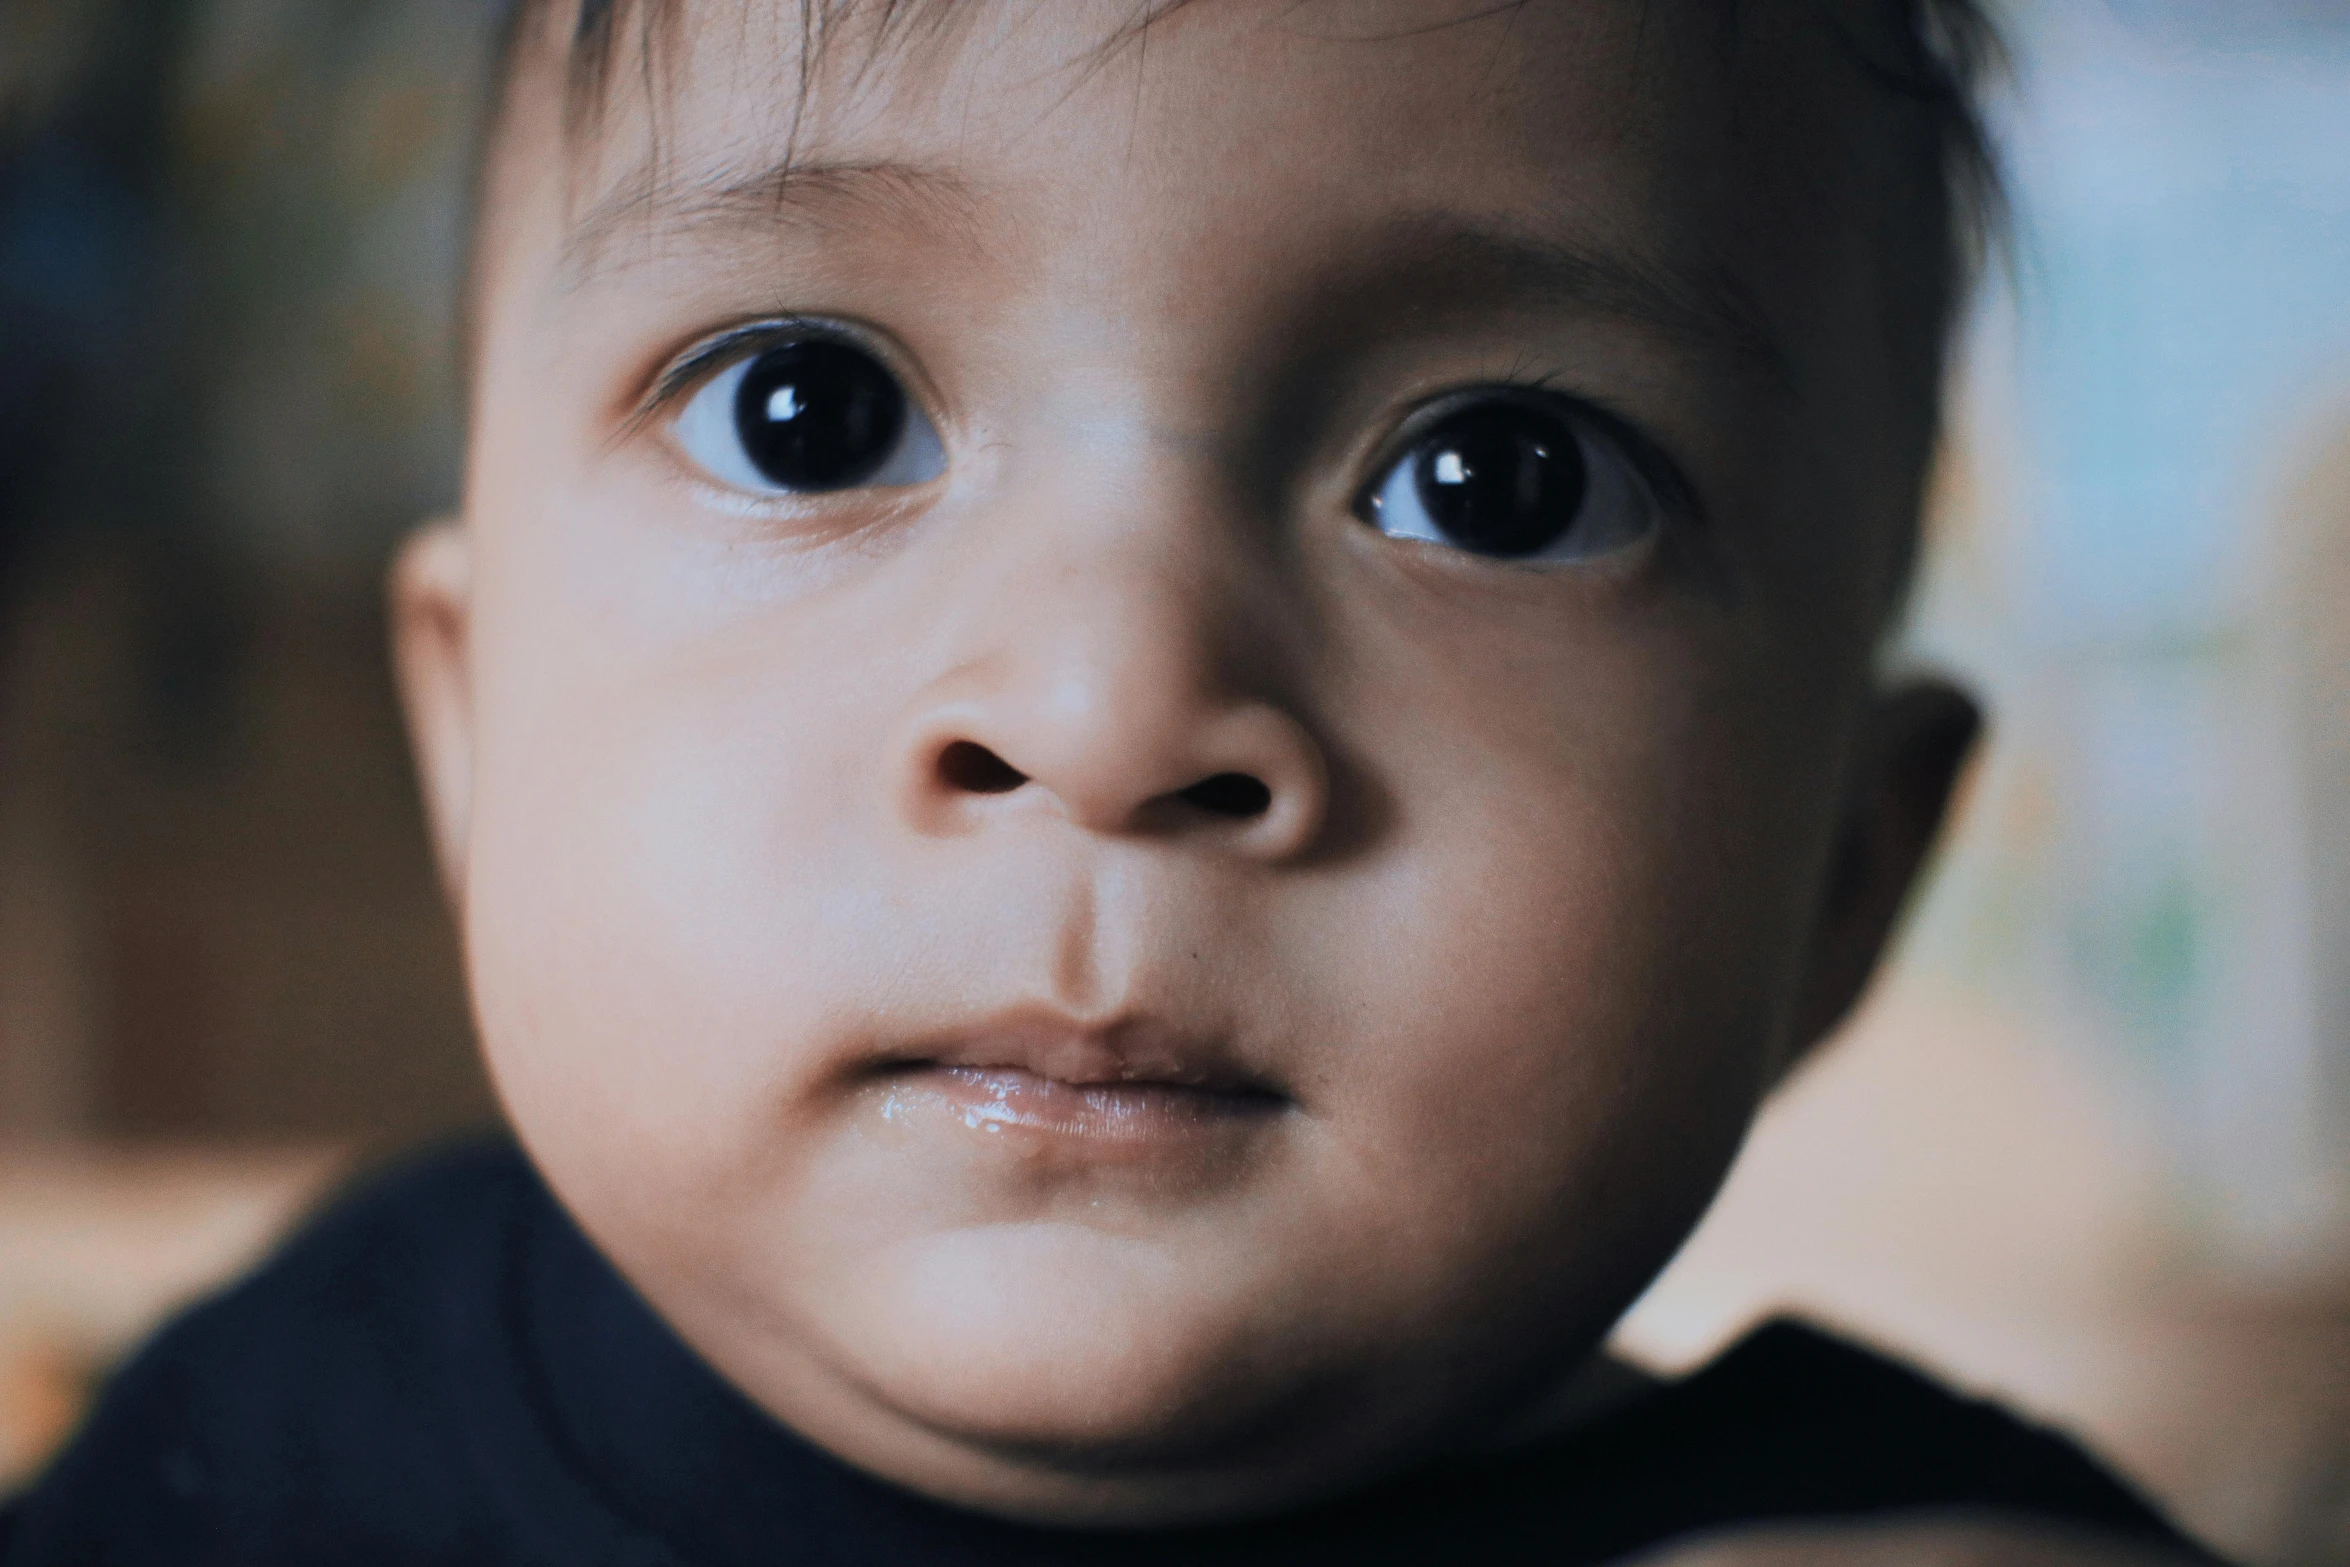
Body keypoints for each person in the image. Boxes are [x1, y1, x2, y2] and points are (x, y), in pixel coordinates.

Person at [0, 2, 2223, 1562]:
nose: (1110, 706)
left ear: (1837, 875)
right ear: (469, 730)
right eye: (808, 412)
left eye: (1497, 479)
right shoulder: (282, 1435)